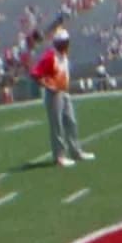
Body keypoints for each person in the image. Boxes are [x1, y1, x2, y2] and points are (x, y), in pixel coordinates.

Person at [30, 27, 92, 168]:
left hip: (64, 92)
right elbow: (35, 73)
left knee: (71, 121)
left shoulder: (62, 54)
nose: (66, 45)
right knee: (57, 126)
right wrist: (47, 85)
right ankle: (59, 156)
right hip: (54, 94)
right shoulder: (50, 56)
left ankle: (76, 151)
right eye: (64, 42)